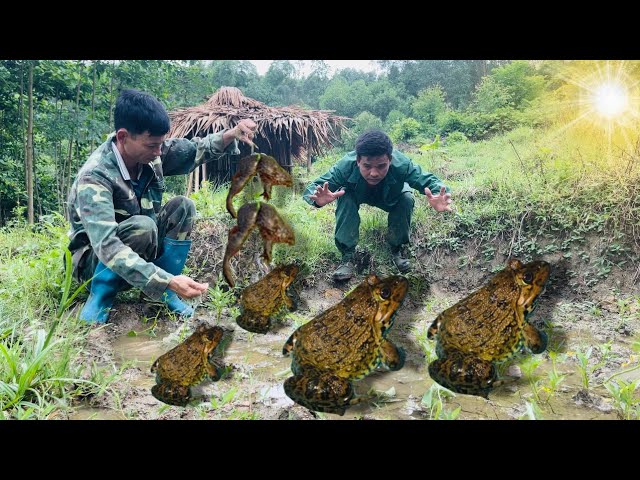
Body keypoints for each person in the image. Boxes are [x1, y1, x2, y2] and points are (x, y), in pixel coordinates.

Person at [67, 88, 257, 323]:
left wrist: (232, 134)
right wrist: (165, 279)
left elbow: (195, 149)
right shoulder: (95, 177)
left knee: (183, 206)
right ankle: (101, 296)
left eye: (161, 145)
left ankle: (159, 296)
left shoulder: (151, 152)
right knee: (143, 226)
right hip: (95, 261)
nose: (158, 152)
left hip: (140, 247)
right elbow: (107, 245)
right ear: (123, 137)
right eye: (151, 146)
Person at [303, 130, 452, 281]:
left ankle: (397, 250)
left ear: (390, 160)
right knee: (345, 197)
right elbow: (313, 188)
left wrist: (441, 195)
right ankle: (347, 257)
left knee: (406, 198)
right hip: (357, 193)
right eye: (367, 166)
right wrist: (317, 200)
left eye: (381, 166)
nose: (374, 173)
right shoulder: (345, 166)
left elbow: (430, 181)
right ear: (358, 161)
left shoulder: (403, 164)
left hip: (391, 195)